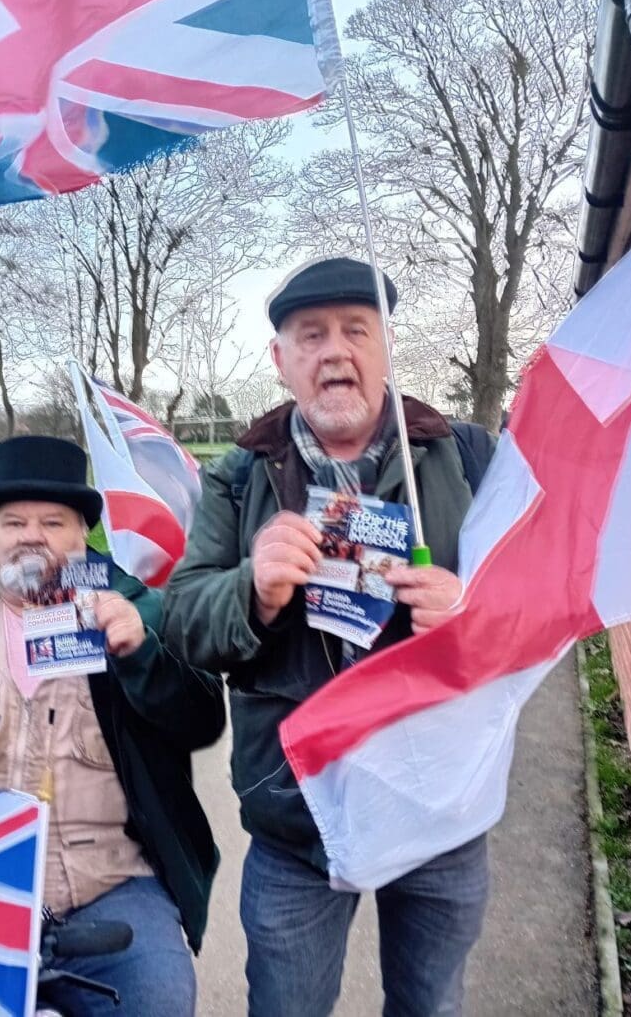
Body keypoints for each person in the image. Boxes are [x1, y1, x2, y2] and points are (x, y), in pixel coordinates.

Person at [164, 257, 495, 1017]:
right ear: (281, 360)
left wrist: (471, 607)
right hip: (296, 817)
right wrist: (254, 589)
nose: (335, 351)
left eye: (356, 330)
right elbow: (182, 618)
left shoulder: (468, 456)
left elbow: (539, 598)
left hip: (439, 807)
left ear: (385, 348)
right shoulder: (237, 478)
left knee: (430, 1006)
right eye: (310, 336)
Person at [0, 435, 224, 1017]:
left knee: (159, 1001)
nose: (31, 535)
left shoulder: (136, 609)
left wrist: (140, 653)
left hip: (109, 886)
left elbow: (202, 717)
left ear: (83, 537)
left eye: (53, 522)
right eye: (12, 521)